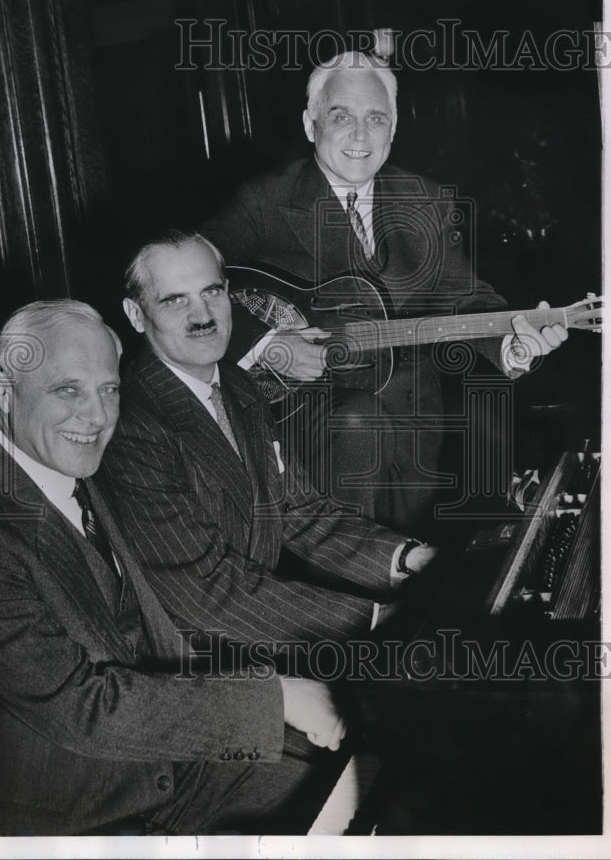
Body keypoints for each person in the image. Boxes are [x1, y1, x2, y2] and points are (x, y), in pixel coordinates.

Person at [0, 299, 349, 836]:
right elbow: (83, 710)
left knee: (364, 763)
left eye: (109, 389)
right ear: (2, 389)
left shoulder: (81, 471)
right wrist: (272, 697)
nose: (97, 416)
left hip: (165, 772)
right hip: (79, 818)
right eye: (67, 389)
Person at [200, 51, 568, 532]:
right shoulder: (265, 201)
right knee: (352, 579)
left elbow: (463, 299)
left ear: (393, 131)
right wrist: (267, 344)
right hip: (313, 431)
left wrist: (510, 342)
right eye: (341, 116)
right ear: (310, 125)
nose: (359, 135)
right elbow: (183, 286)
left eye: (375, 118)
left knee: (416, 575)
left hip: (419, 435)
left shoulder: (427, 200)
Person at [97, 231, 436, 660]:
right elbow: (206, 590)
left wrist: (409, 558)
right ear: (136, 313)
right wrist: (372, 620)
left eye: (212, 292)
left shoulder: (236, 383)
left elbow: (299, 511)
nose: (203, 316)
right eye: (175, 300)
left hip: (261, 634)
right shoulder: (129, 427)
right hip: (194, 661)